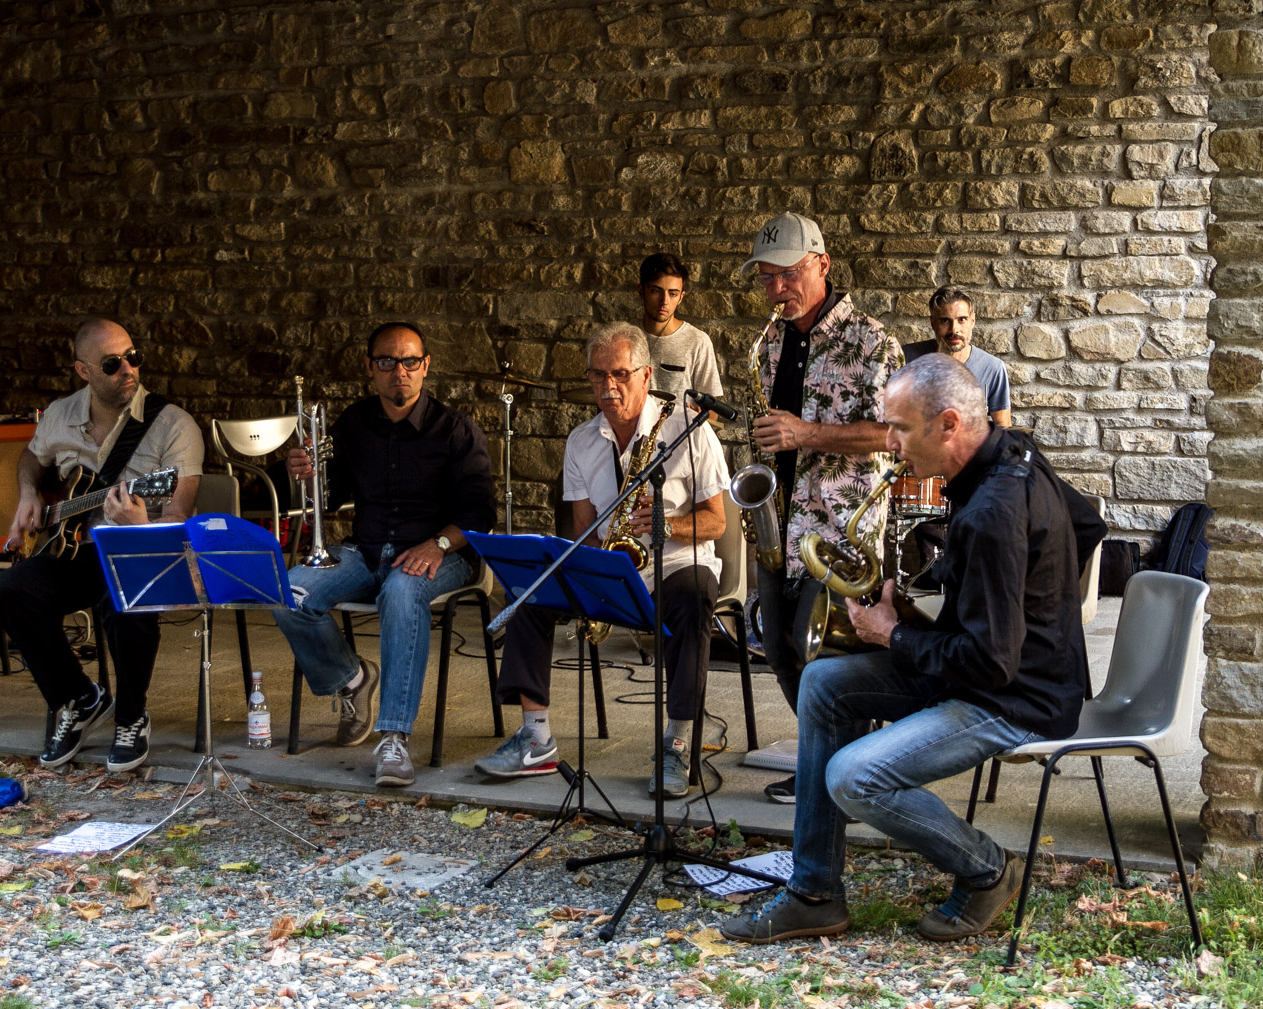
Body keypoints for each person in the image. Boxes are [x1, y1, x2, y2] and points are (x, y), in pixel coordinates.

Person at [722, 354, 1106, 945]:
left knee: (852, 777)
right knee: (822, 684)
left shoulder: (993, 512)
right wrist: (1032, 601)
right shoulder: (1012, 452)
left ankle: (987, 870)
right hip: (994, 671)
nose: (890, 444)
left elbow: (991, 663)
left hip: (1015, 699)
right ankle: (814, 892)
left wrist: (893, 635)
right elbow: (1087, 526)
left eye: (900, 429)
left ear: (948, 424)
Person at [476, 322, 731, 798]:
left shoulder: (689, 431)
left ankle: (678, 742)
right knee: (531, 593)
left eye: (620, 374)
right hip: (613, 567)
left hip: (677, 564)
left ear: (646, 374)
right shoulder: (581, 440)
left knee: (694, 599)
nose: (608, 387)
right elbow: (583, 527)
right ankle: (536, 738)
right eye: (597, 375)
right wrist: (595, 565)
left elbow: (716, 522)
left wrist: (669, 525)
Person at [274, 322, 495, 788]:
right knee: (287, 593)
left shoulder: (456, 429)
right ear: (370, 368)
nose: (400, 371)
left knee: (401, 592)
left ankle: (394, 737)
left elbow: (480, 514)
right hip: (366, 551)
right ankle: (354, 680)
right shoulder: (354, 423)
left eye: (410, 361)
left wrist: (437, 545)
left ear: (426, 366)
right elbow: (328, 498)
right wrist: (304, 473)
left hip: (442, 554)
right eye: (387, 362)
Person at [740, 211, 903, 804]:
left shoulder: (873, 341)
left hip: (838, 532)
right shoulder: (768, 343)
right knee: (778, 647)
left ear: (823, 265)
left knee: (824, 656)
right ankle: (828, 763)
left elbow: (896, 435)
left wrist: (806, 434)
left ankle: (844, 775)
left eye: (788, 275)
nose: (776, 289)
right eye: (766, 278)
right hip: (778, 523)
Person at [0, 318, 204, 773]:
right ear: (83, 370)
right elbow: (31, 456)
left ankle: (131, 715)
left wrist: (139, 524)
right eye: (112, 364)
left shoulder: (173, 424)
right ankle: (79, 698)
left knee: (122, 598)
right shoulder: (60, 414)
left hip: (141, 550)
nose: (128, 369)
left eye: (133, 357)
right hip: (74, 550)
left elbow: (177, 517)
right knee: (9, 591)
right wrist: (29, 493)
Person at [903, 287, 1012, 427]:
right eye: (944, 321)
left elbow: (1003, 429)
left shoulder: (992, 368)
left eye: (962, 319)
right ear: (933, 323)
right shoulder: (905, 358)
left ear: (972, 321)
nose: (954, 329)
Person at [636, 253, 725, 413]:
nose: (664, 301)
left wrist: (698, 415)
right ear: (641, 291)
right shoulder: (624, 338)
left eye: (673, 294)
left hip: (679, 429)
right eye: (656, 291)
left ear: (681, 297)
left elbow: (712, 413)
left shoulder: (697, 341)